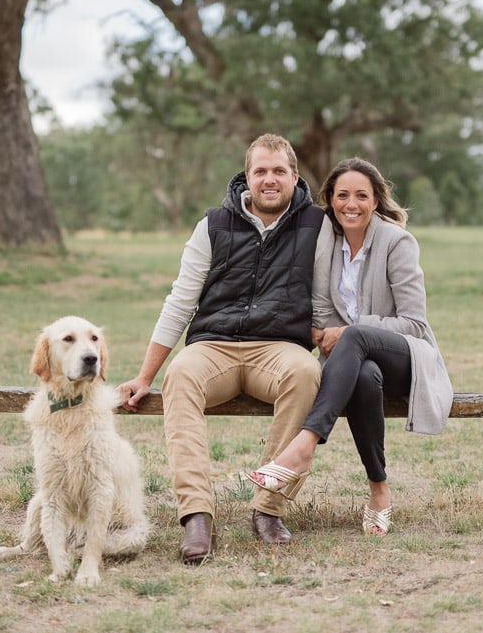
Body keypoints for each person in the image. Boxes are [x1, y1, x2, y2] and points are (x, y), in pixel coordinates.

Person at [117, 134, 331, 564]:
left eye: (278, 171)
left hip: (278, 349)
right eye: (260, 171)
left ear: (294, 175)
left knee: (306, 374)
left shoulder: (317, 224)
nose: (269, 180)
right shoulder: (213, 224)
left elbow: (324, 298)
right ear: (246, 177)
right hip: (214, 346)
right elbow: (180, 301)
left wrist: (327, 339)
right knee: (181, 373)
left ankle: (269, 508)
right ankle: (196, 515)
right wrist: (144, 376)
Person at [247, 157, 452, 536]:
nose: (351, 204)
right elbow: (323, 311)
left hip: (407, 357)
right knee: (363, 375)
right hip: (355, 364)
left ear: (375, 201)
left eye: (361, 195)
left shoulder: (397, 243)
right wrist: (331, 332)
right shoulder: (328, 241)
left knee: (356, 335)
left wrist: (349, 330)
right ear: (331, 200)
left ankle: (303, 447)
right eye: (342, 195)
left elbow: (415, 323)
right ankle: (379, 489)